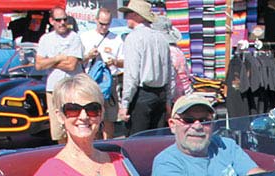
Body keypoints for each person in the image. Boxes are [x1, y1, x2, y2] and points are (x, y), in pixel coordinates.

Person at [27, 74, 141, 176]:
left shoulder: (119, 161)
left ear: (101, 114)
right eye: (73, 109)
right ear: (60, 116)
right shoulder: (53, 172)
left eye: (92, 109)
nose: (84, 116)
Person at [150, 94, 264, 176]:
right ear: (172, 125)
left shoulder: (226, 146)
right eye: (188, 120)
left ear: (213, 124)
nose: (197, 126)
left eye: (205, 120)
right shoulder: (166, 163)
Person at [119, 0, 171, 135]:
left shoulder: (134, 38)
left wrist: (125, 104)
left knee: (137, 140)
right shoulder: (162, 38)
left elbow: (131, 75)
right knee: (157, 140)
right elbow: (169, 73)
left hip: (142, 95)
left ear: (137, 15)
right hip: (160, 95)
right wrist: (168, 101)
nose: (126, 17)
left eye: (129, 13)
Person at [36, 6, 85, 142]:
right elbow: (38, 65)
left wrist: (48, 62)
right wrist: (58, 58)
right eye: (58, 20)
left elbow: (71, 65)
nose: (62, 23)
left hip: (72, 89)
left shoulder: (74, 37)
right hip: (54, 89)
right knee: (58, 130)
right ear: (52, 21)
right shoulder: (45, 39)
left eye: (65, 19)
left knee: (75, 125)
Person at [80, 7, 123, 138]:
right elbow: (78, 61)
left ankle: (108, 143)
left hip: (110, 82)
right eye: (101, 24)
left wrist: (115, 62)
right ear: (96, 20)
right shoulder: (85, 37)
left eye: (107, 24)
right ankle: (94, 143)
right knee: (92, 116)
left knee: (109, 118)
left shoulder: (117, 39)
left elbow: (124, 62)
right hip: (91, 82)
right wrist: (88, 56)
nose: (104, 27)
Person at [152, 17, 192, 107]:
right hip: (185, 93)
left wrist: (168, 102)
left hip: (176, 97)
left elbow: (171, 79)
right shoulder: (177, 49)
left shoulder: (168, 51)